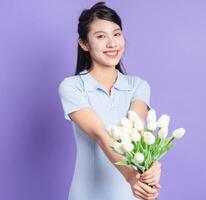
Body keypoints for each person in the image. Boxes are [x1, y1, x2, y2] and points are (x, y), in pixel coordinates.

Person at [58, 2, 161, 200]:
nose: (112, 44)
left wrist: (152, 165)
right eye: (100, 36)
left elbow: (135, 135)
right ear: (84, 44)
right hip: (89, 194)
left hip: (135, 194)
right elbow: (101, 135)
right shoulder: (72, 87)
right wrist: (131, 177)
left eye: (116, 34)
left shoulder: (138, 86)